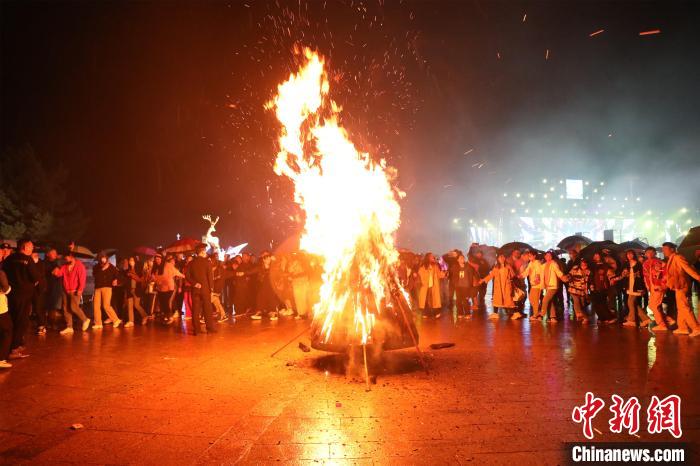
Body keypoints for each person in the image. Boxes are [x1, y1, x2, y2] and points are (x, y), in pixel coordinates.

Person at [3, 239, 40, 358]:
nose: (32, 249)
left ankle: (9, 346)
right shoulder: (28, 260)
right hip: (24, 295)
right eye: (30, 247)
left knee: (12, 319)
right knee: (21, 321)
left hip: (10, 294)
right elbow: (35, 276)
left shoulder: (9, 259)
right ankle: (14, 348)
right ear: (24, 248)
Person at [662, 242, 700, 337]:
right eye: (663, 250)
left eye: (665, 249)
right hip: (677, 285)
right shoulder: (671, 258)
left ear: (672, 249)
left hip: (682, 285)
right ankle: (682, 327)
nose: (664, 251)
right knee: (681, 307)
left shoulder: (678, 257)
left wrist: (698, 277)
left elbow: (687, 268)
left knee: (684, 307)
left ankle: (696, 328)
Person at [185, 244, 217, 334]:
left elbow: (187, 276)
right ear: (202, 252)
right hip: (205, 290)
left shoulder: (191, 263)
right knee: (207, 309)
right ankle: (209, 329)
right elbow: (210, 277)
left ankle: (196, 330)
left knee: (195, 309)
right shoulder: (207, 262)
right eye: (205, 251)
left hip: (195, 290)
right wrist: (211, 289)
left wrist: (195, 284)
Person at [56, 252, 90, 334]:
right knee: (66, 309)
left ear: (71, 257)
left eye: (66, 258)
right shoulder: (65, 266)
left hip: (75, 290)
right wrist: (56, 270)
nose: (65, 259)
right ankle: (69, 327)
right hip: (66, 290)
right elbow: (59, 274)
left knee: (73, 307)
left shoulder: (79, 265)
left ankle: (85, 319)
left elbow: (82, 278)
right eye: (65, 258)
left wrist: (80, 289)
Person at [642, 247, 673, 331]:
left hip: (658, 286)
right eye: (648, 252)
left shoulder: (659, 262)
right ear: (645, 254)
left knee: (655, 306)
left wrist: (662, 285)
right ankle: (668, 320)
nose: (650, 254)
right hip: (651, 287)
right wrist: (648, 286)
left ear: (655, 253)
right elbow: (645, 276)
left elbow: (666, 274)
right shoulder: (645, 263)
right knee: (652, 306)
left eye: (652, 252)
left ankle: (662, 324)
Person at [620, 250, 651, 328]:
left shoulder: (638, 264)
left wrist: (643, 286)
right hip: (629, 284)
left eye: (631, 254)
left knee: (630, 302)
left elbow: (642, 275)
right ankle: (644, 319)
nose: (629, 256)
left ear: (633, 255)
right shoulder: (626, 264)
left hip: (636, 285)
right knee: (633, 303)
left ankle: (634, 320)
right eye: (628, 254)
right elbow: (623, 274)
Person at [480, 253, 515, 320]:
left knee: (508, 299)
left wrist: (510, 269)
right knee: (497, 299)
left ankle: (513, 313)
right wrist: (483, 280)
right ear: (498, 259)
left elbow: (513, 275)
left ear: (505, 258)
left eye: (503, 257)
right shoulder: (496, 267)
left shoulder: (508, 266)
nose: (501, 259)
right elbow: (491, 275)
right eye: (500, 257)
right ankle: (495, 313)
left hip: (506, 286)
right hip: (498, 286)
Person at [92, 253, 122, 329]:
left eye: (104, 258)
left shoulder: (112, 267)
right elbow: (95, 275)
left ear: (106, 258)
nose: (103, 259)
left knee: (106, 305)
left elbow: (117, 275)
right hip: (98, 288)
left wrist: (115, 280)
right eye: (101, 258)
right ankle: (98, 323)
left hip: (107, 287)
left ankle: (116, 320)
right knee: (96, 305)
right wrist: (103, 267)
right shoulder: (96, 267)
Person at [153, 254, 184, 324]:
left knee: (167, 302)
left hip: (170, 287)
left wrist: (184, 276)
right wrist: (155, 280)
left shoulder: (167, 265)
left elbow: (176, 272)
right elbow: (156, 277)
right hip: (161, 288)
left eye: (158, 259)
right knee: (163, 303)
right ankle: (166, 316)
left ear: (161, 259)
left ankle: (170, 317)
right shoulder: (157, 268)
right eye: (156, 259)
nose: (157, 261)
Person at [539, 250, 568, 323]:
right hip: (547, 286)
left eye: (549, 255)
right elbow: (541, 275)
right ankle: (553, 317)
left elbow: (558, 272)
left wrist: (563, 277)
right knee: (550, 301)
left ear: (552, 257)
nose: (547, 257)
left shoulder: (554, 264)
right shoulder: (543, 265)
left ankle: (541, 315)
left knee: (545, 300)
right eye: (546, 255)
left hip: (553, 286)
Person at [251, 252, 280, 321]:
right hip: (263, 286)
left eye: (269, 259)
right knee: (260, 297)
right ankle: (259, 312)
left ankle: (273, 312)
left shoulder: (273, 266)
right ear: (264, 260)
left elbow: (279, 269)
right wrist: (243, 273)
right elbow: (252, 271)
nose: (268, 260)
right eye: (267, 259)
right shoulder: (260, 267)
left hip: (271, 286)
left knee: (271, 297)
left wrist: (275, 261)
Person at [590, 252, 616, 324]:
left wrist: (611, 279)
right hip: (594, 286)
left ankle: (610, 317)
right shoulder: (593, 265)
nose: (596, 256)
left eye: (597, 255)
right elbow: (591, 276)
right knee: (595, 303)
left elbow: (611, 274)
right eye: (595, 255)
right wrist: (591, 284)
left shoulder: (605, 266)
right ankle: (601, 317)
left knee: (602, 303)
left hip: (603, 287)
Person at [123, 257, 148, 326]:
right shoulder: (128, 270)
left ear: (135, 261)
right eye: (130, 260)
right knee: (130, 306)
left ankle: (145, 316)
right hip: (129, 289)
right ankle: (131, 321)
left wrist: (131, 275)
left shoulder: (139, 269)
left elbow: (140, 280)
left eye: (132, 260)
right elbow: (125, 279)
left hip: (136, 290)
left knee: (136, 305)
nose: (131, 262)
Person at [418, 253, 443, 319]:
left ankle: (436, 313)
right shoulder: (423, 267)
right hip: (425, 286)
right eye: (432, 257)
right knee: (425, 300)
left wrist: (444, 274)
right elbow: (420, 274)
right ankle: (426, 313)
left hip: (434, 286)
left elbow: (439, 274)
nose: (433, 258)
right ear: (428, 258)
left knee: (434, 300)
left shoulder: (435, 266)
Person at [520, 251, 543, 320]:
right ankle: (538, 313)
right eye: (528, 256)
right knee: (531, 298)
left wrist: (537, 279)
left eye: (530, 255)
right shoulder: (531, 263)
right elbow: (527, 271)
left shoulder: (537, 263)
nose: (529, 257)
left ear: (534, 256)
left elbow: (539, 272)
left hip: (537, 284)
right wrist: (521, 275)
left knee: (535, 299)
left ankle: (536, 315)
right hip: (533, 284)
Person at [567, 259, 592, 323]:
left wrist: (591, 287)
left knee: (582, 303)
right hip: (573, 288)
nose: (583, 265)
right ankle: (580, 315)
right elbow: (569, 274)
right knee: (576, 301)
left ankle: (582, 316)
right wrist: (569, 278)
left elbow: (589, 281)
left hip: (583, 290)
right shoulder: (575, 269)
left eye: (585, 264)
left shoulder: (589, 271)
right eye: (582, 264)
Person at [452, 253, 475, 318]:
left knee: (465, 300)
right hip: (458, 286)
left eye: (463, 258)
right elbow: (453, 276)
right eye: (461, 258)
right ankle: (460, 313)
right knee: (458, 300)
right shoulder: (455, 267)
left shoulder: (468, 267)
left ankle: (467, 313)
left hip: (466, 287)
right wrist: (455, 283)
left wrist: (470, 285)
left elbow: (471, 276)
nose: (462, 259)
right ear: (458, 260)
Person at [31, 251, 48, 335]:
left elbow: (41, 275)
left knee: (38, 307)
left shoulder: (41, 263)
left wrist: (37, 281)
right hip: (30, 288)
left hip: (39, 289)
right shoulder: (29, 262)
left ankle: (42, 326)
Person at [0, 267, 12, 369]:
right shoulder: (0, 273)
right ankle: (1, 358)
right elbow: (6, 289)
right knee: (6, 331)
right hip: (0, 308)